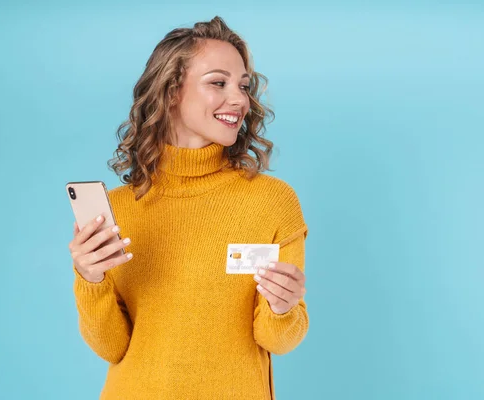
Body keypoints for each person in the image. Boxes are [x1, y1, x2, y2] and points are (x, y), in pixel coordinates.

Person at [68, 16, 309, 400]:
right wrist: (90, 280)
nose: (240, 99)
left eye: (244, 86)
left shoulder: (272, 201)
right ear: (171, 91)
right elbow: (111, 347)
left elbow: (277, 340)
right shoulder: (115, 210)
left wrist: (284, 307)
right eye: (219, 83)